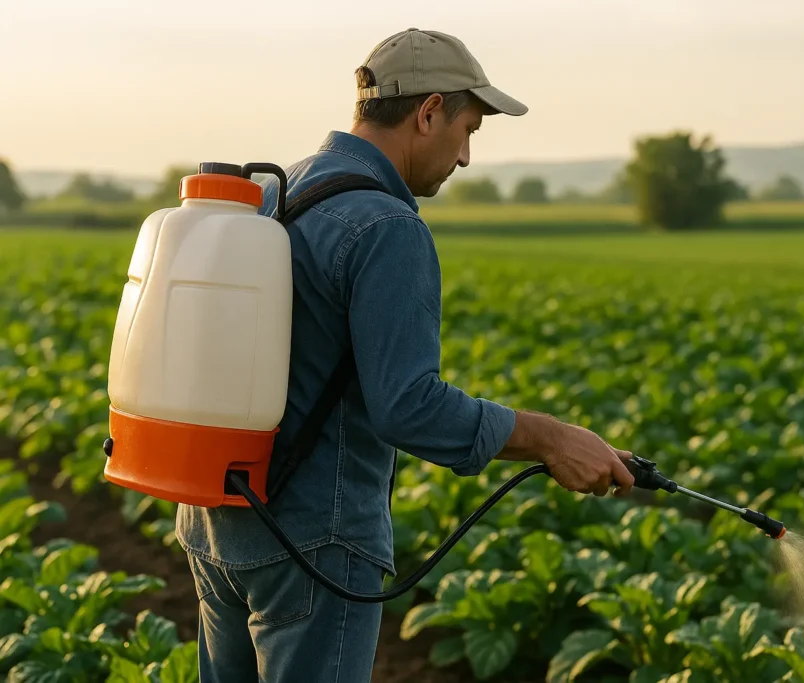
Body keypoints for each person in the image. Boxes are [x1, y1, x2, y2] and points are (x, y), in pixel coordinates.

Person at [175, 27, 635, 683]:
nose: (466, 156)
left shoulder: (278, 191)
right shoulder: (386, 226)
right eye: (468, 129)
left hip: (215, 522)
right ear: (428, 113)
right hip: (313, 543)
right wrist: (549, 437)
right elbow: (407, 406)